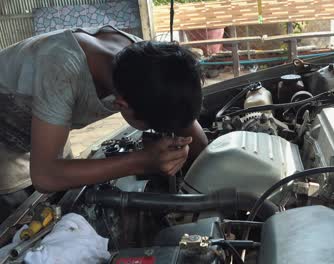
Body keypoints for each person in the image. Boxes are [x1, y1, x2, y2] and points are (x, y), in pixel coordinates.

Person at [0, 25, 208, 223]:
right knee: (20, 216)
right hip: (5, 138)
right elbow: (45, 176)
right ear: (121, 105)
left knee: (60, 199)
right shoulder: (62, 71)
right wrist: (142, 161)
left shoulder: (147, 63)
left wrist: (210, 173)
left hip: (36, 120)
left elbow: (189, 127)